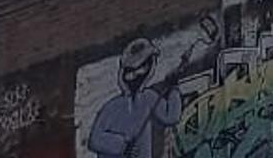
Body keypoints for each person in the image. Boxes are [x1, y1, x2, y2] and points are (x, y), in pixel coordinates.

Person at [85, 17, 217, 158]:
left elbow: (171, 116)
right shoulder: (111, 108)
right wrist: (122, 145)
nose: (136, 76)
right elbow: (94, 140)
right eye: (134, 71)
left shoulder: (148, 98)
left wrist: (173, 88)